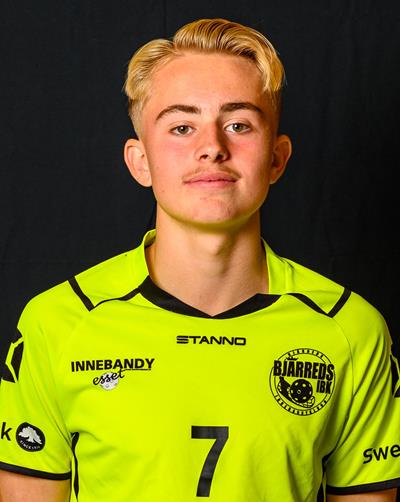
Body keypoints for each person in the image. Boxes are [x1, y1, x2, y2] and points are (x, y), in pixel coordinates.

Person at [0, 17, 399, 502]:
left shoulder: (350, 330)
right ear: (140, 161)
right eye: (182, 127)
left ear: (276, 158)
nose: (212, 148)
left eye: (238, 125)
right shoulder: (58, 323)